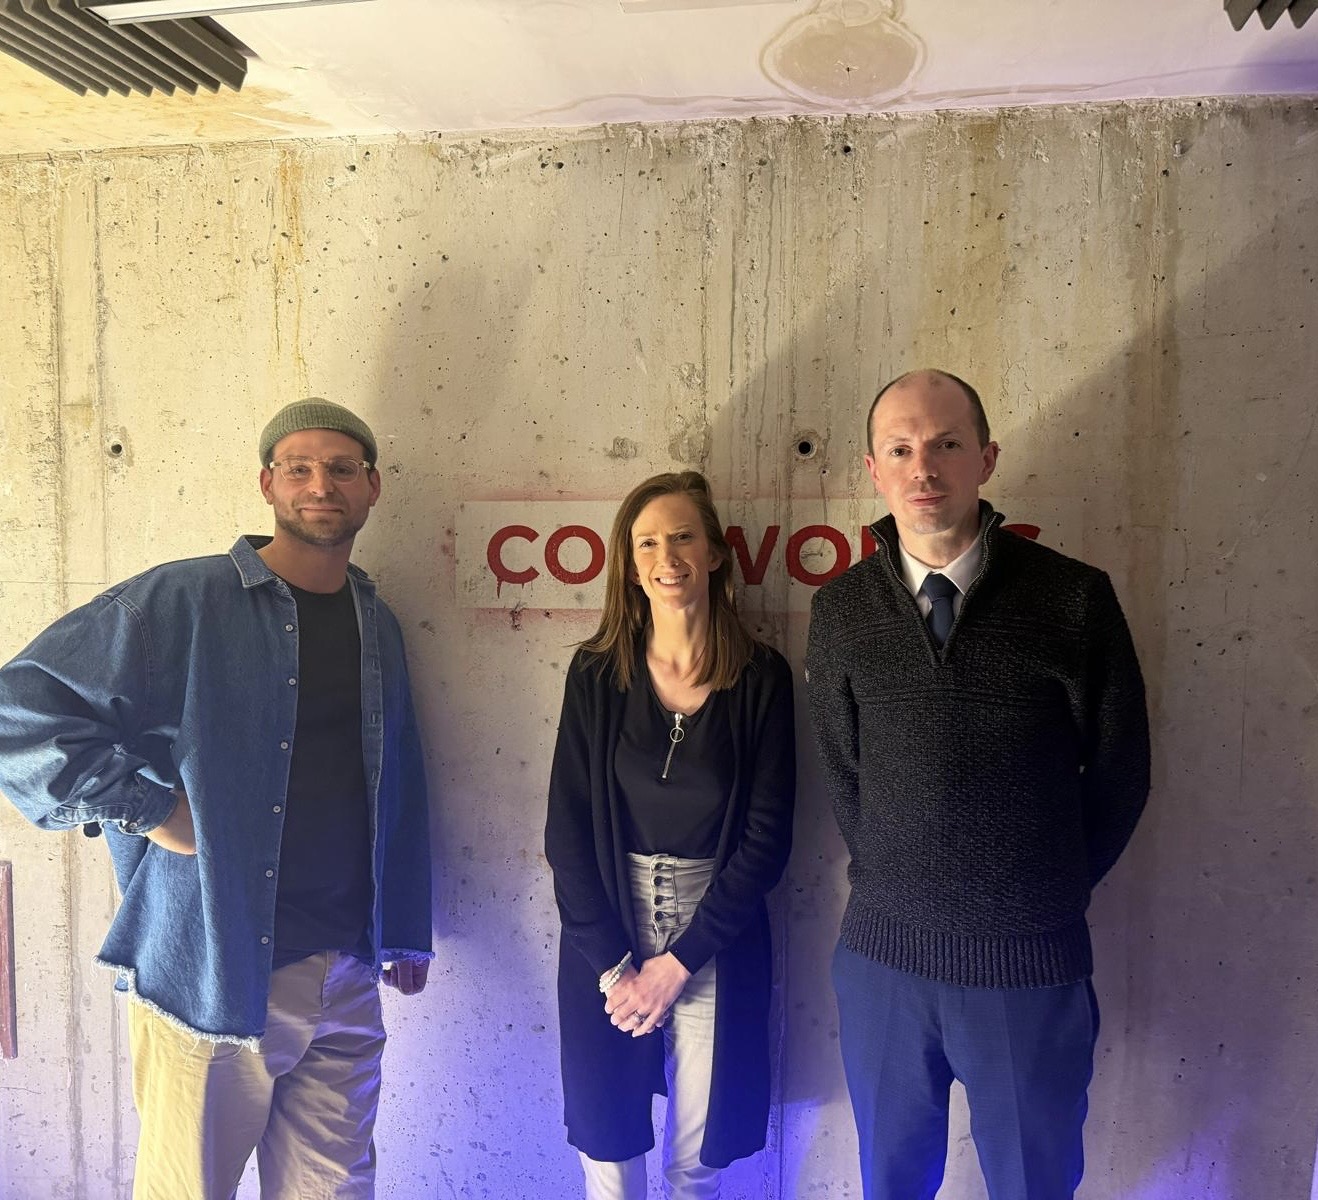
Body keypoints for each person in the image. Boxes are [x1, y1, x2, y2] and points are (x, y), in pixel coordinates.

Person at [0, 398, 433, 1199]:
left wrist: (403, 927)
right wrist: (149, 809)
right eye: (299, 468)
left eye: (342, 468)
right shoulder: (185, 600)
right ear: (268, 483)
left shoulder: (377, 622)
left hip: (344, 970)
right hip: (210, 972)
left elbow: (396, 775)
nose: (321, 485)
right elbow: (18, 712)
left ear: (372, 487)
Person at [805, 369, 1150, 1200]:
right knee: (891, 1184)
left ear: (986, 458)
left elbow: (1121, 771)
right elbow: (845, 772)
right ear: (874, 469)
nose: (923, 467)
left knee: (1034, 1186)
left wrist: (1045, 890)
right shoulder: (842, 610)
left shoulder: (1073, 598)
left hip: (1027, 965)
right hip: (885, 964)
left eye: (947, 444)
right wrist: (899, 876)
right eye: (900, 449)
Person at [544, 470, 796, 1200]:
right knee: (609, 1156)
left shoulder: (761, 679)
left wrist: (679, 961)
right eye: (647, 543)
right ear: (629, 565)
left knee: (695, 1166)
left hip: (716, 939)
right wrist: (615, 967)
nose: (667, 556)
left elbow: (766, 840)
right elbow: (566, 832)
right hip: (608, 933)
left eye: (683, 536)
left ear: (714, 553)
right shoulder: (596, 675)